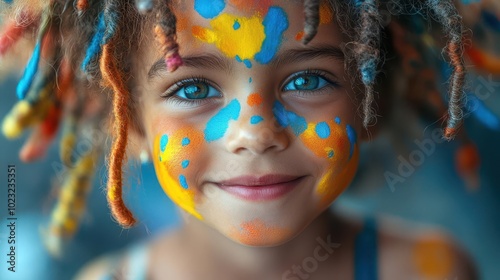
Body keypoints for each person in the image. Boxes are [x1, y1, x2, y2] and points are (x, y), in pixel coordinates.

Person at [0, 0, 484, 279]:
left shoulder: (430, 270)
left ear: (369, 101)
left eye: (309, 80)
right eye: (192, 89)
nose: (255, 133)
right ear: (132, 123)